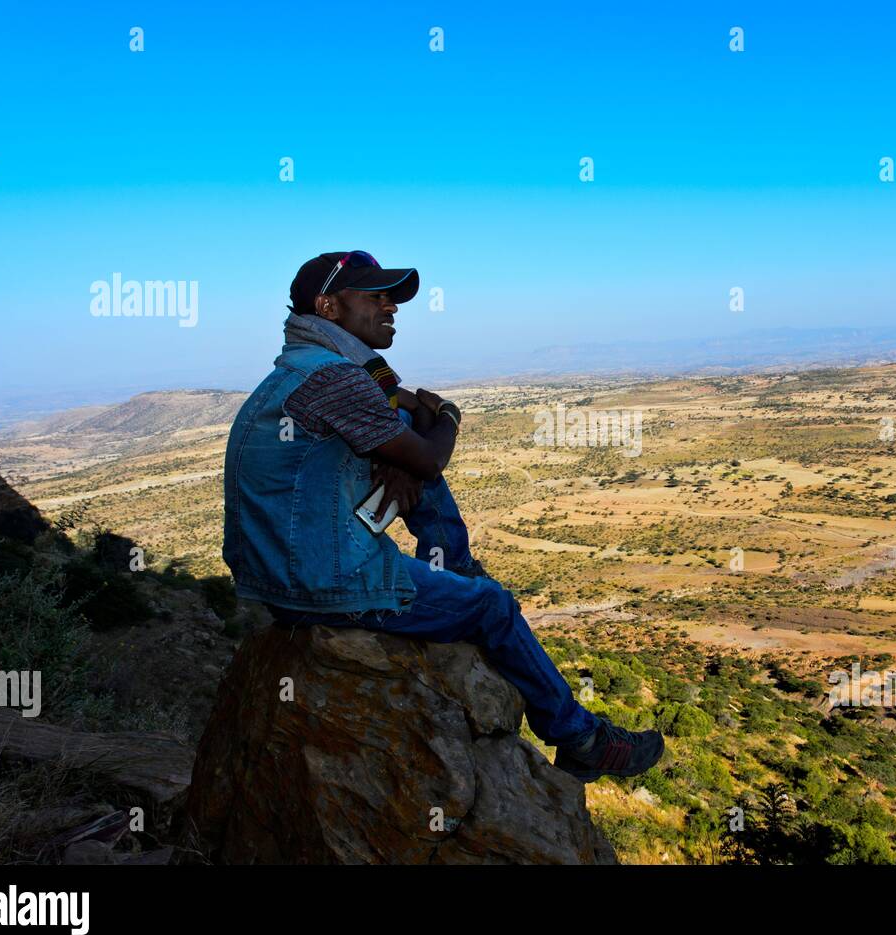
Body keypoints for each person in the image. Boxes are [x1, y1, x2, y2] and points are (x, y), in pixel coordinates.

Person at [222, 250, 664, 782]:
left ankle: (456, 566)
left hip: (279, 576)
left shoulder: (300, 371)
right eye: (375, 295)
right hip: (325, 584)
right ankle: (582, 738)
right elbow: (431, 454)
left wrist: (407, 456)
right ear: (328, 306)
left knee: (407, 437)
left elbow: (406, 426)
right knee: (493, 608)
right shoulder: (335, 379)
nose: (391, 305)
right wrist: (449, 419)